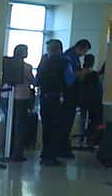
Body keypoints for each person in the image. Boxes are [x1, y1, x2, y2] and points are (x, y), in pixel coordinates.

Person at [36, 38, 73, 166]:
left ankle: (45, 153)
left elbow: (37, 80)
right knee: (56, 128)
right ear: (60, 49)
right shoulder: (65, 61)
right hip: (57, 99)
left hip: (43, 98)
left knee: (46, 127)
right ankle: (51, 156)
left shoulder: (44, 60)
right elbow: (69, 80)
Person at [60, 38, 91, 158]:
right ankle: (62, 148)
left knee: (68, 123)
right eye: (84, 51)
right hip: (68, 95)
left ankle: (64, 147)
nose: (84, 54)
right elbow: (69, 77)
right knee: (65, 122)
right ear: (79, 48)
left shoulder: (75, 58)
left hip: (72, 95)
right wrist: (82, 73)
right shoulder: (69, 57)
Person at [9, 44, 35, 162]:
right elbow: (33, 81)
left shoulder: (10, 65)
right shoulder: (27, 67)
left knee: (11, 123)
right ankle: (18, 152)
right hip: (22, 97)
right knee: (21, 125)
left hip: (9, 97)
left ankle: (9, 149)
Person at [77, 54, 102, 148]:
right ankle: (90, 139)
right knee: (94, 120)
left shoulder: (80, 73)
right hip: (94, 102)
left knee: (83, 119)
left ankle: (81, 138)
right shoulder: (95, 75)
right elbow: (99, 90)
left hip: (82, 101)